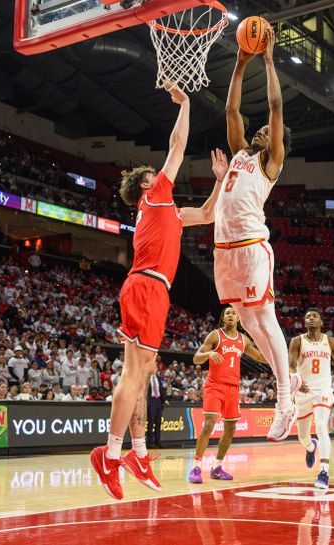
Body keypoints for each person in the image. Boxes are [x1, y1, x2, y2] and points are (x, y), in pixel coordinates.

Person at [91, 82, 226, 501]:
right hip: (148, 286)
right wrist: (185, 104)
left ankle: (138, 453)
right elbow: (178, 145)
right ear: (147, 187)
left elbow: (206, 213)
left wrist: (220, 181)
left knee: (143, 372)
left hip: (150, 289)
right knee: (134, 375)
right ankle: (109, 456)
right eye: (156, 176)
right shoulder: (153, 198)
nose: (163, 174)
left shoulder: (165, 213)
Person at [214, 30, 295, 442]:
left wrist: (266, 60)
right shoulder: (241, 153)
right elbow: (232, 109)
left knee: (265, 319)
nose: (262, 130)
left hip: (250, 246)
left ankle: (285, 398)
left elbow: (276, 105)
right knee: (247, 322)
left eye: (268, 131)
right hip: (223, 250)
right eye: (260, 129)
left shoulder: (270, 163)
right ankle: (287, 381)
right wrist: (240, 63)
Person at [189, 306, 266, 483]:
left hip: (233, 388)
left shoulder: (243, 339)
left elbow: (260, 357)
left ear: (239, 318)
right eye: (227, 313)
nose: (231, 315)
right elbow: (196, 358)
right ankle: (196, 467)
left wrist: (278, 359)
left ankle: (217, 467)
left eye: (234, 313)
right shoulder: (215, 335)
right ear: (223, 318)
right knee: (208, 425)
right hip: (214, 386)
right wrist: (209, 353)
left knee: (230, 429)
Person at [288, 309, 334, 489]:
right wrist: (295, 381)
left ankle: (323, 471)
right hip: (303, 392)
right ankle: (310, 447)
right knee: (303, 437)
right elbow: (291, 366)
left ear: (321, 322)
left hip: (323, 390)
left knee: (322, 426)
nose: (311, 318)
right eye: (308, 316)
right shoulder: (297, 341)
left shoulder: (330, 341)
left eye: (314, 316)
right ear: (304, 323)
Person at [146, 371, 166, 449]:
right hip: (150, 401)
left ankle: (158, 441)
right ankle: (151, 442)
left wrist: (163, 401)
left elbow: (161, 390)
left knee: (158, 422)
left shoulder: (158, 378)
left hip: (158, 401)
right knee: (151, 422)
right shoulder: (146, 377)